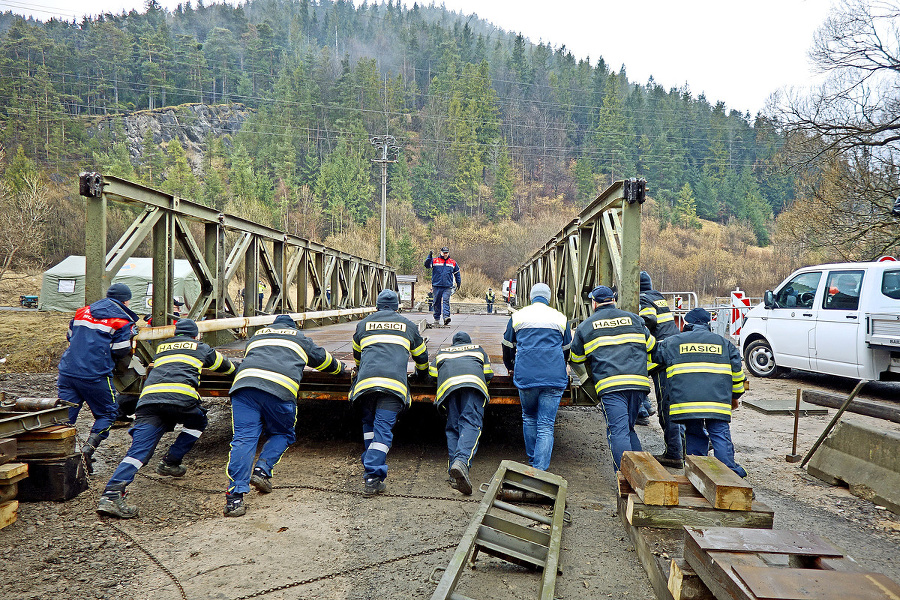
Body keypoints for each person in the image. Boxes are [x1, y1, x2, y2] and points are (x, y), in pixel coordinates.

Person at [97, 319, 235, 518]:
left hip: (148, 402)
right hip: (181, 400)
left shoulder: (162, 348)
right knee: (198, 421)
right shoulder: (201, 347)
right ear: (196, 335)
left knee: (139, 451)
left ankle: (111, 494)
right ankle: (171, 461)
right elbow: (227, 367)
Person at [224, 314, 345, 517]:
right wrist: (340, 369)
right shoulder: (299, 337)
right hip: (278, 390)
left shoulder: (257, 336)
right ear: (293, 326)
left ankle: (235, 499)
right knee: (282, 434)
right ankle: (262, 470)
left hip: (244, 388)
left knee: (243, 439)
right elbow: (323, 360)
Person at [650, 307, 747, 477]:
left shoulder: (673, 342)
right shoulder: (724, 343)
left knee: (694, 434)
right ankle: (730, 476)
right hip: (717, 402)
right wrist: (735, 396)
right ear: (708, 324)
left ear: (686, 323)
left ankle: (697, 473)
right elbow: (738, 375)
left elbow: (655, 356)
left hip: (687, 403)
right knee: (719, 435)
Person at [350, 289, 429, 495]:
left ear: (376, 305)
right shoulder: (408, 326)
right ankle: (373, 476)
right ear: (397, 306)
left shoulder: (363, 325)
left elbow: (357, 357)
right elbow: (421, 357)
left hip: (364, 386)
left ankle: (370, 462)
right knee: (383, 430)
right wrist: (422, 375)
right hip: (392, 387)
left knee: (369, 426)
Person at [570, 285, 655, 471]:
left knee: (618, 431)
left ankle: (624, 478)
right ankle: (643, 475)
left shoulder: (586, 326)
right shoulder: (635, 319)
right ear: (614, 300)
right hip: (638, 384)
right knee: (629, 428)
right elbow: (651, 346)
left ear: (594, 303)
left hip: (611, 386)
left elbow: (576, 358)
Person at [58, 283, 139, 473]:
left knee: (64, 418)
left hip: (68, 371)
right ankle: (87, 451)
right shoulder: (121, 320)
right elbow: (121, 350)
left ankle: (60, 459)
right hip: (94, 374)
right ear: (126, 300)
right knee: (108, 413)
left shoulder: (82, 312)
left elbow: (70, 336)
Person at [502, 283, 572, 471]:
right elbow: (567, 349)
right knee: (546, 424)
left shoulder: (518, 316)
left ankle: (533, 461)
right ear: (548, 298)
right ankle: (540, 470)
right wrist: (560, 364)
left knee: (529, 417)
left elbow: (507, 344)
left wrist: (511, 366)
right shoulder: (560, 317)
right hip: (554, 377)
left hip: (526, 375)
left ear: (531, 297)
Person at [429, 331, 493, 495]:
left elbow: (432, 375)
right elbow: (488, 374)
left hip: (448, 389)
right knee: (471, 423)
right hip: (472, 386)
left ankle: (453, 472)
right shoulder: (478, 350)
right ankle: (461, 462)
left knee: (453, 427)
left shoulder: (442, 353)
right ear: (468, 342)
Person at [639, 271, 684, 468]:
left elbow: (648, 319)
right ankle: (687, 446)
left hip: (662, 360)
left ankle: (674, 453)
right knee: (679, 403)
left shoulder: (643, 299)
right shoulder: (657, 296)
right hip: (675, 354)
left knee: (667, 408)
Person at [424, 247, 461, 326]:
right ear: (441, 252)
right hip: (436, 285)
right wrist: (429, 256)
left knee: (446, 301)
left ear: (448, 253)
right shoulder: (435, 260)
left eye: (446, 252)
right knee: (436, 302)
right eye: (444, 252)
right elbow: (426, 265)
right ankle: (437, 318)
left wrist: (458, 282)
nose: (445, 254)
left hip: (447, 286)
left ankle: (446, 317)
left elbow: (457, 273)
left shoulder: (452, 262)